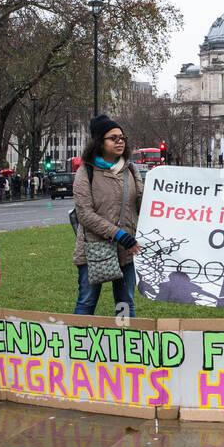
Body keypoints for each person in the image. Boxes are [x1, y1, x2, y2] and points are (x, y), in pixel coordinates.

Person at [73, 115, 144, 316]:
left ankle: (124, 343)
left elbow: (141, 203)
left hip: (126, 249)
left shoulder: (130, 169)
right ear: (99, 143)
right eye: (113, 138)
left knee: (125, 303)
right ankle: (80, 343)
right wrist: (119, 234)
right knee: (87, 301)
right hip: (94, 249)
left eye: (122, 137)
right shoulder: (86, 172)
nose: (120, 141)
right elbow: (84, 214)